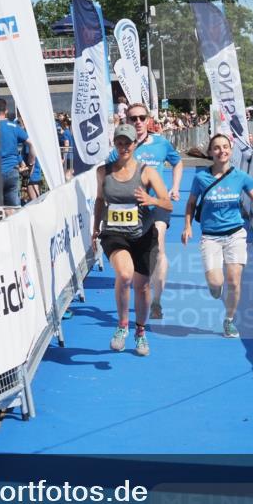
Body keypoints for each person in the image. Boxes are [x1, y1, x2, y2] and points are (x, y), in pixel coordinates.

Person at [182, 133, 253, 338]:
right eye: (216, 148)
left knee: (234, 281)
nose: (221, 151)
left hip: (235, 234)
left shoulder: (241, 177)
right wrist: (187, 226)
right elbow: (191, 203)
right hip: (210, 236)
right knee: (217, 284)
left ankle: (229, 320)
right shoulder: (201, 178)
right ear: (210, 152)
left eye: (225, 147)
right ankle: (215, 288)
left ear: (231, 150)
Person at [92, 123, 172, 357]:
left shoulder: (147, 171)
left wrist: (151, 200)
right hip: (115, 234)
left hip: (143, 234)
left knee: (143, 286)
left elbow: (167, 203)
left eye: (128, 142)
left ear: (134, 144)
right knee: (125, 275)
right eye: (120, 142)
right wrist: (96, 227)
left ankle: (140, 331)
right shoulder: (103, 172)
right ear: (115, 144)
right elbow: (99, 200)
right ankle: (122, 326)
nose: (124, 146)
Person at [104, 103, 184, 319]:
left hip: (155, 203)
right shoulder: (123, 146)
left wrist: (174, 187)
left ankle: (157, 300)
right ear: (127, 121)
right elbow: (108, 175)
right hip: (130, 209)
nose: (138, 122)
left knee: (158, 245)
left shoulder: (161, 144)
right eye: (133, 118)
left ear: (148, 120)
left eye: (141, 117)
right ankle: (138, 289)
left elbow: (177, 163)